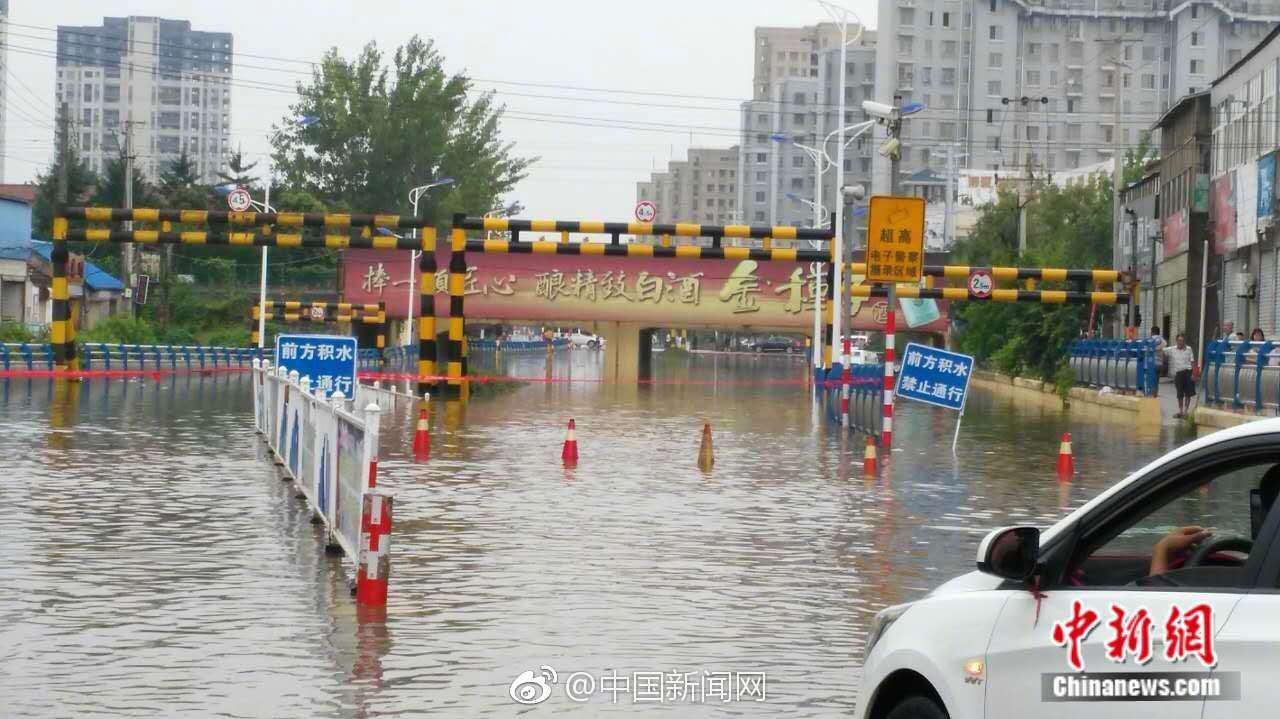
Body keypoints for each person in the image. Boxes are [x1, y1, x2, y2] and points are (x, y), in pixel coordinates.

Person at [1165, 332, 1196, 418]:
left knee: (1188, 393)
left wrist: (1194, 374)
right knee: (1179, 394)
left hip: (1188, 372)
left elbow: (1192, 361)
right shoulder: (1172, 349)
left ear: (1184, 341)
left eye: (1182, 341)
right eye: (1179, 341)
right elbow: (1162, 351)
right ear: (1176, 341)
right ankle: (1180, 411)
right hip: (1178, 374)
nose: (1180, 342)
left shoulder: (1189, 349)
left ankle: (1186, 411)